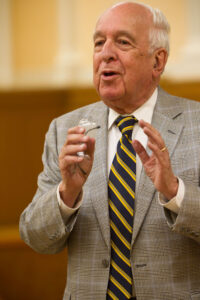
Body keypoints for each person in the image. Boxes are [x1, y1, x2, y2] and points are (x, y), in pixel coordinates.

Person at [19, 2, 200, 299]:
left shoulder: (196, 124)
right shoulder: (65, 130)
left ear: (158, 61)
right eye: (99, 42)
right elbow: (37, 239)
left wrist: (175, 192)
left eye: (123, 42)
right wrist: (66, 194)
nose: (106, 53)